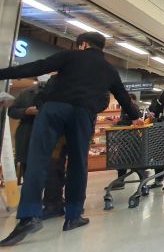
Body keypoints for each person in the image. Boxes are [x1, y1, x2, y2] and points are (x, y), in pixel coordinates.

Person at [0, 32, 143, 246]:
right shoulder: (109, 69)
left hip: (53, 109)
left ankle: (29, 216)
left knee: (38, 160)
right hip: (83, 113)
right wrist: (135, 117)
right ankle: (73, 216)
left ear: (82, 45)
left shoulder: (69, 56)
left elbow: (35, 67)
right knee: (78, 163)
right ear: (101, 48)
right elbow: (123, 96)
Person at [8, 73, 67, 219]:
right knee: (30, 173)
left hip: (53, 138)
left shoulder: (61, 93)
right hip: (28, 137)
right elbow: (12, 111)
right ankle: (32, 206)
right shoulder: (26, 93)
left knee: (54, 171)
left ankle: (53, 204)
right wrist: (26, 111)